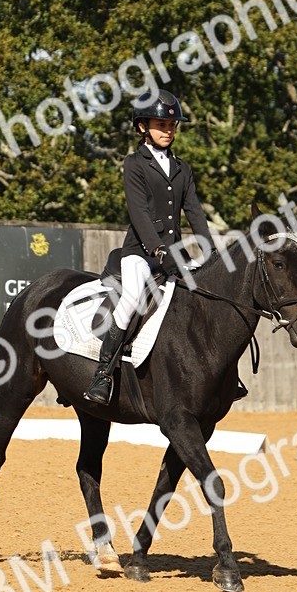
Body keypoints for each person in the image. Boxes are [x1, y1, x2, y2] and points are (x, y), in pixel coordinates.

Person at [83, 89, 215, 406]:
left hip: (175, 256)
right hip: (140, 255)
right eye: (160, 125)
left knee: (204, 301)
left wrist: (209, 250)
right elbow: (139, 213)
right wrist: (157, 249)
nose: (168, 131)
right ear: (142, 126)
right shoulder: (134, 165)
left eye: (171, 126)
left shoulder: (183, 168)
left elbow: (194, 211)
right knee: (130, 299)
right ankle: (103, 374)